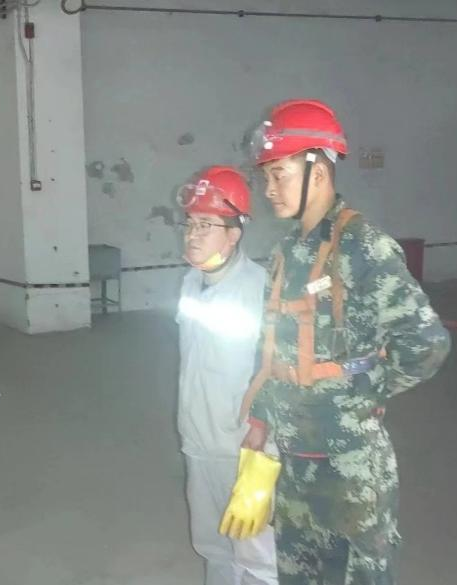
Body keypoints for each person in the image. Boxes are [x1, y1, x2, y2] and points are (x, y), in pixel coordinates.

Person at [221, 99, 452, 584]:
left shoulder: (363, 247)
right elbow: (273, 348)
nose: (269, 189)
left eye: (279, 174)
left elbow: (427, 342)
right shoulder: (286, 251)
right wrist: (260, 422)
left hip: (351, 467)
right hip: (295, 460)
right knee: (298, 573)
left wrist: (368, 391)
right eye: (265, 177)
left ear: (319, 171)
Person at [176, 167, 278, 584]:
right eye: (190, 224)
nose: (192, 235)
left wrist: (262, 432)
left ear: (234, 233)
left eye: (206, 225)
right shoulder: (190, 282)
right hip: (198, 440)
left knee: (255, 552)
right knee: (213, 546)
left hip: (244, 446)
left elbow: (277, 368)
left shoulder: (260, 289)